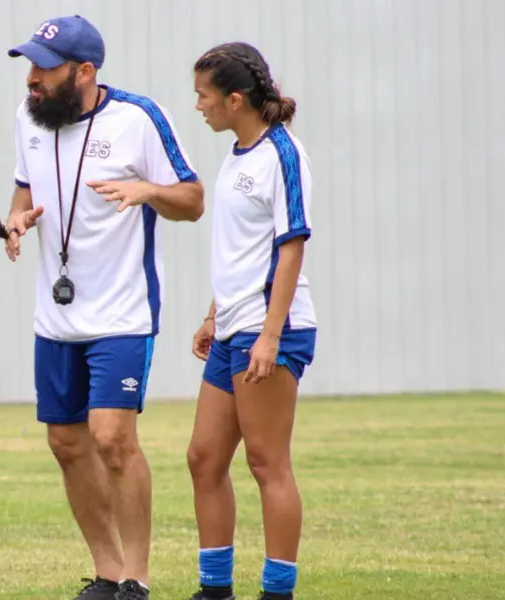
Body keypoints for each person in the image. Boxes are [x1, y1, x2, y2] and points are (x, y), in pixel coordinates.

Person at [2, 15, 205, 600]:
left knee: (112, 437)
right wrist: (16, 219)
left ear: (84, 71)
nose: (32, 80)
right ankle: (109, 572)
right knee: (66, 443)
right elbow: (24, 184)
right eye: (30, 68)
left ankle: (138, 579)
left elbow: (191, 200)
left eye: (45, 69)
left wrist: (148, 191)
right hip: (56, 313)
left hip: (122, 311)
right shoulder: (30, 116)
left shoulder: (140, 118)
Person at [186, 42, 317, 600]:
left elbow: (291, 248)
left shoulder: (282, 154)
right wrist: (215, 313)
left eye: (204, 96)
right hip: (234, 326)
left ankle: (277, 592)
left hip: (273, 329)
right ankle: (215, 590)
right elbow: (241, 247)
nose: (199, 106)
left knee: (267, 464)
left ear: (235, 99)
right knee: (203, 458)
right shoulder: (236, 152)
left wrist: (268, 335)